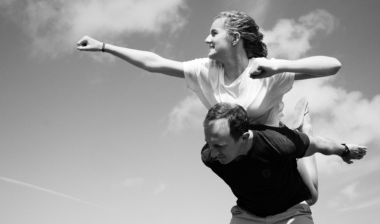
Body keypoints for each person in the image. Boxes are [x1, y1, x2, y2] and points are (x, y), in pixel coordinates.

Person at [77, 11, 342, 205]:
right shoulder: (205, 71)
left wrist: (280, 66)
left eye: (214, 33)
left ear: (235, 37)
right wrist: (104, 47)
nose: (207, 39)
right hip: (242, 155)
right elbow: (153, 62)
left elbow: (333, 65)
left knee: (312, 196)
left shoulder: (265, 70)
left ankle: (302, 131)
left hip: (273, 147)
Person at [202, 102, 367, 224]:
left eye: (220, 146)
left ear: (244, 138)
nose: (213, 152)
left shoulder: (278, 144)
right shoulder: (209, 157)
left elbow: (320, 144)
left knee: (312, 195)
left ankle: (304, 130)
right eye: (209, 143)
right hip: (247, 214)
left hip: (291, 211)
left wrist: (344, 150)